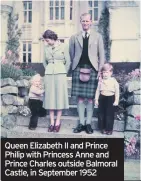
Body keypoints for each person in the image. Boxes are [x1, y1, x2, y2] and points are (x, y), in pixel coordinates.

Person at [69, 13, 105, 134]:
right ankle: (81, 123)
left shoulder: (98, 36)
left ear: (91, 22)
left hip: (93, 69)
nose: (85, 23)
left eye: (87, 21)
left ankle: (88, 124)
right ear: (81, 22)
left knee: (90, 98)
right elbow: (71, 54)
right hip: (78, 68)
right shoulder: (74, 37)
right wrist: (74, 68)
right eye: (83, 21)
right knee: (79, 98)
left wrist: (100, 71)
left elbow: (102, 55)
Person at [42, 29, 70, 133]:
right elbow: (44, 62)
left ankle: (58, 122)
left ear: (53, 38)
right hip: (49, 75)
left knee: (59, 97)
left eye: (48, 40)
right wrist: (49, 69)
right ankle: (51, 122)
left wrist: (63, 72)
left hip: (60, 74)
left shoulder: (64, 46)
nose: (47, 42)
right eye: (46, 40)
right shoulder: (45, 48)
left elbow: (68, 61)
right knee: (50, 98)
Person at [95, 63, 120, 135]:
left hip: (110, 98)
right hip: (102, 98)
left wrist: (116, 100)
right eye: (104, 72)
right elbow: (97, 90)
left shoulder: (113, 81)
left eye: (107, 72)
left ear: (111, 73)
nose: (105, 74)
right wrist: (96, 99)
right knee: (101, 114)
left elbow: (117, 91)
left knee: (109, 114)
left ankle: (109, 129)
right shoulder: (100, 81)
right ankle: (102, 128)